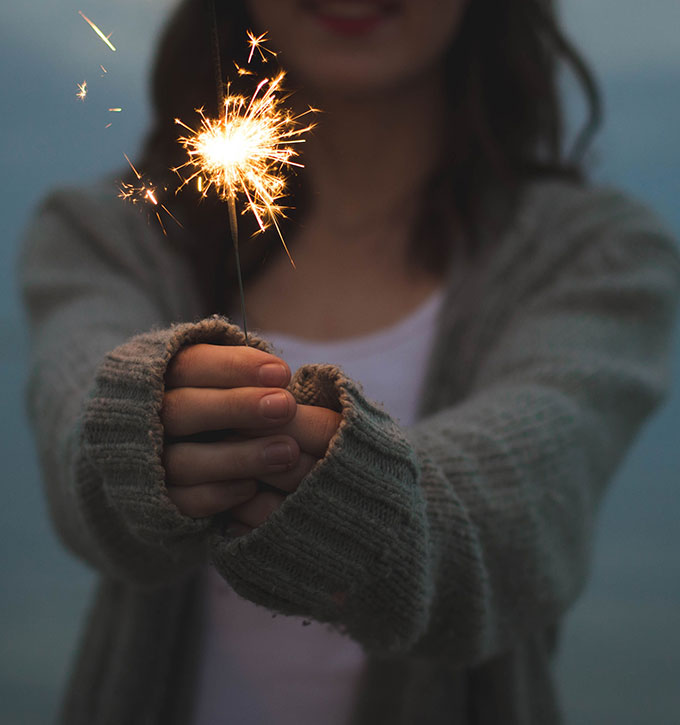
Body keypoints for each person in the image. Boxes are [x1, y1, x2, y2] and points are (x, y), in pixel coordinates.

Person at [19, 0, 680, 723]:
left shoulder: (597, 257)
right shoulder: (110, 234)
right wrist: (137, 429)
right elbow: (76, 419)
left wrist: (359, 497)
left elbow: (526, 508)